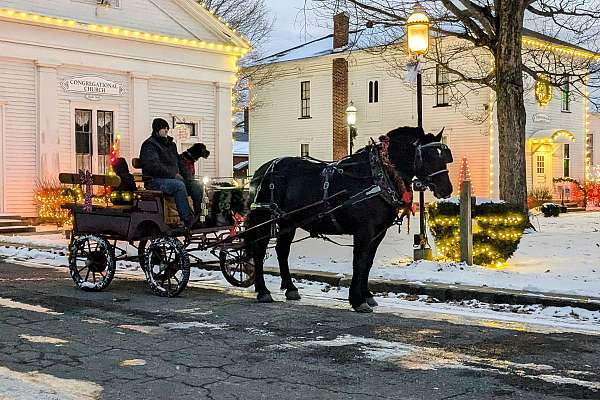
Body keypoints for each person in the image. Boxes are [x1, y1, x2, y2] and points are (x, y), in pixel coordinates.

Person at [139, 118, 199, 228]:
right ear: (157, 130)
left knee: (196, 185)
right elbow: (154, 166)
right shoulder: (149, 145)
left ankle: (199, 216)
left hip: (172, 178)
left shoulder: (171, 145)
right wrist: (173, 175)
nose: (166, 130)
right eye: (163, 128)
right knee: (178, 185)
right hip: (154, 180)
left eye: (167, 128)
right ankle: (188, 220)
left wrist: (189, 178)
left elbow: (180, 162)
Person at [179, 143, 210, 214]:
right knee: (198, 187)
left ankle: (202, 212)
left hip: (187, 183)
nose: (206, 152)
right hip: (182, 185)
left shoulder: (189, 159)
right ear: (197, 152)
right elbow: (187, 178)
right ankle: (198, 213)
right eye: (203, 150)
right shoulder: (183, 160)